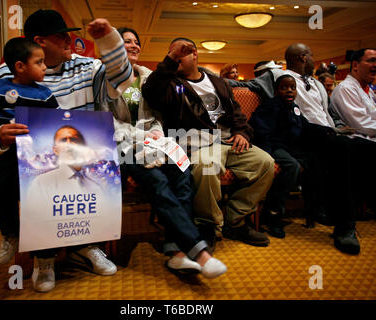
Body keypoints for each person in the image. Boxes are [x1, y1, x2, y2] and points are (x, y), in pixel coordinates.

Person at [0, 9, 133, 292]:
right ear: (40, 42)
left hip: (81, 153)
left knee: (86, 187)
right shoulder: (5, 74)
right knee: (39, 189)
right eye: (61, 37)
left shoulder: (86, 67)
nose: (71, 42)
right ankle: (44, 259)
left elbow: (124, 80)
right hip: (31, 158)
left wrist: (110, 41)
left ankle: (88, 245)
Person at [99, 27, 226, 279]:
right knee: (157, 180)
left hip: (154, 142)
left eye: (136, 42)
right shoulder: (102, 78)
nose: (134, 46)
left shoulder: (147, 77)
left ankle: (176, 251)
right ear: (114, 48)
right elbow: (105, 121)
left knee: (183, 171)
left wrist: (156, 133)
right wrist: (142, 137)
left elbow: (156, 116)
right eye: (126, 42)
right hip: (120, 146)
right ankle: (198, 252)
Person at [142, 38, 275, 246]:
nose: (176, 55)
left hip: (230, 141)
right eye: (172, 52)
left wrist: (242, 132)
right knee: (206, 166)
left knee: (266, 163)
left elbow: (237, 113)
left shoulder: (218, 82)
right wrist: (171, 59)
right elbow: (150, 93)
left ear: (194, 54)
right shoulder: (172, 85)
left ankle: (236, 220)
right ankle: (208, 226)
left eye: (181, 52)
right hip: (198, 143)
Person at [0, 37, 59, 267]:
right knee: (3, 192)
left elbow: (56, 121)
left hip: (38, 158)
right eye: (39, 62)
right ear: (20, 66)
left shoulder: (45, 95)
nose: (45, 67)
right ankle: (10, 234)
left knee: (41, 204)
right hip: (10, 155)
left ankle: (46, 258)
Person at [284, 43, 375, 254]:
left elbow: (325, 113)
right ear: (302, 57)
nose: (315, 59)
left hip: (328, 133)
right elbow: (245, 84)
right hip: (302, 134)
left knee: (365, 147)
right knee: (342, 146)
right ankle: (345, 228)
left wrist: (336, 128)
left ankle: (355, 205)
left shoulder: (315, 83)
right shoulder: (278, 76)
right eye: (312, 55)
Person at [249, 74, 324, 237]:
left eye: (292, 88)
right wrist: (267, 154)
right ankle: (273, 213)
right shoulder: (270, 106)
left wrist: (329, 132)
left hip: (290, 147)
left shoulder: (294, 107)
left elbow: (305, 127)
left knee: (314, 159)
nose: (289, 91)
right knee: (292, 166)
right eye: (284, 88)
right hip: (272, 146)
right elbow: (261, 130)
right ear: (276, 91)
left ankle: (314, 208)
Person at [329, 48, 376, 211]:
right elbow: (361, 124)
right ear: (355, 65)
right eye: (371, 60)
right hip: (353, 143)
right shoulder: (346, 88)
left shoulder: (368, 90)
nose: (375, 65)